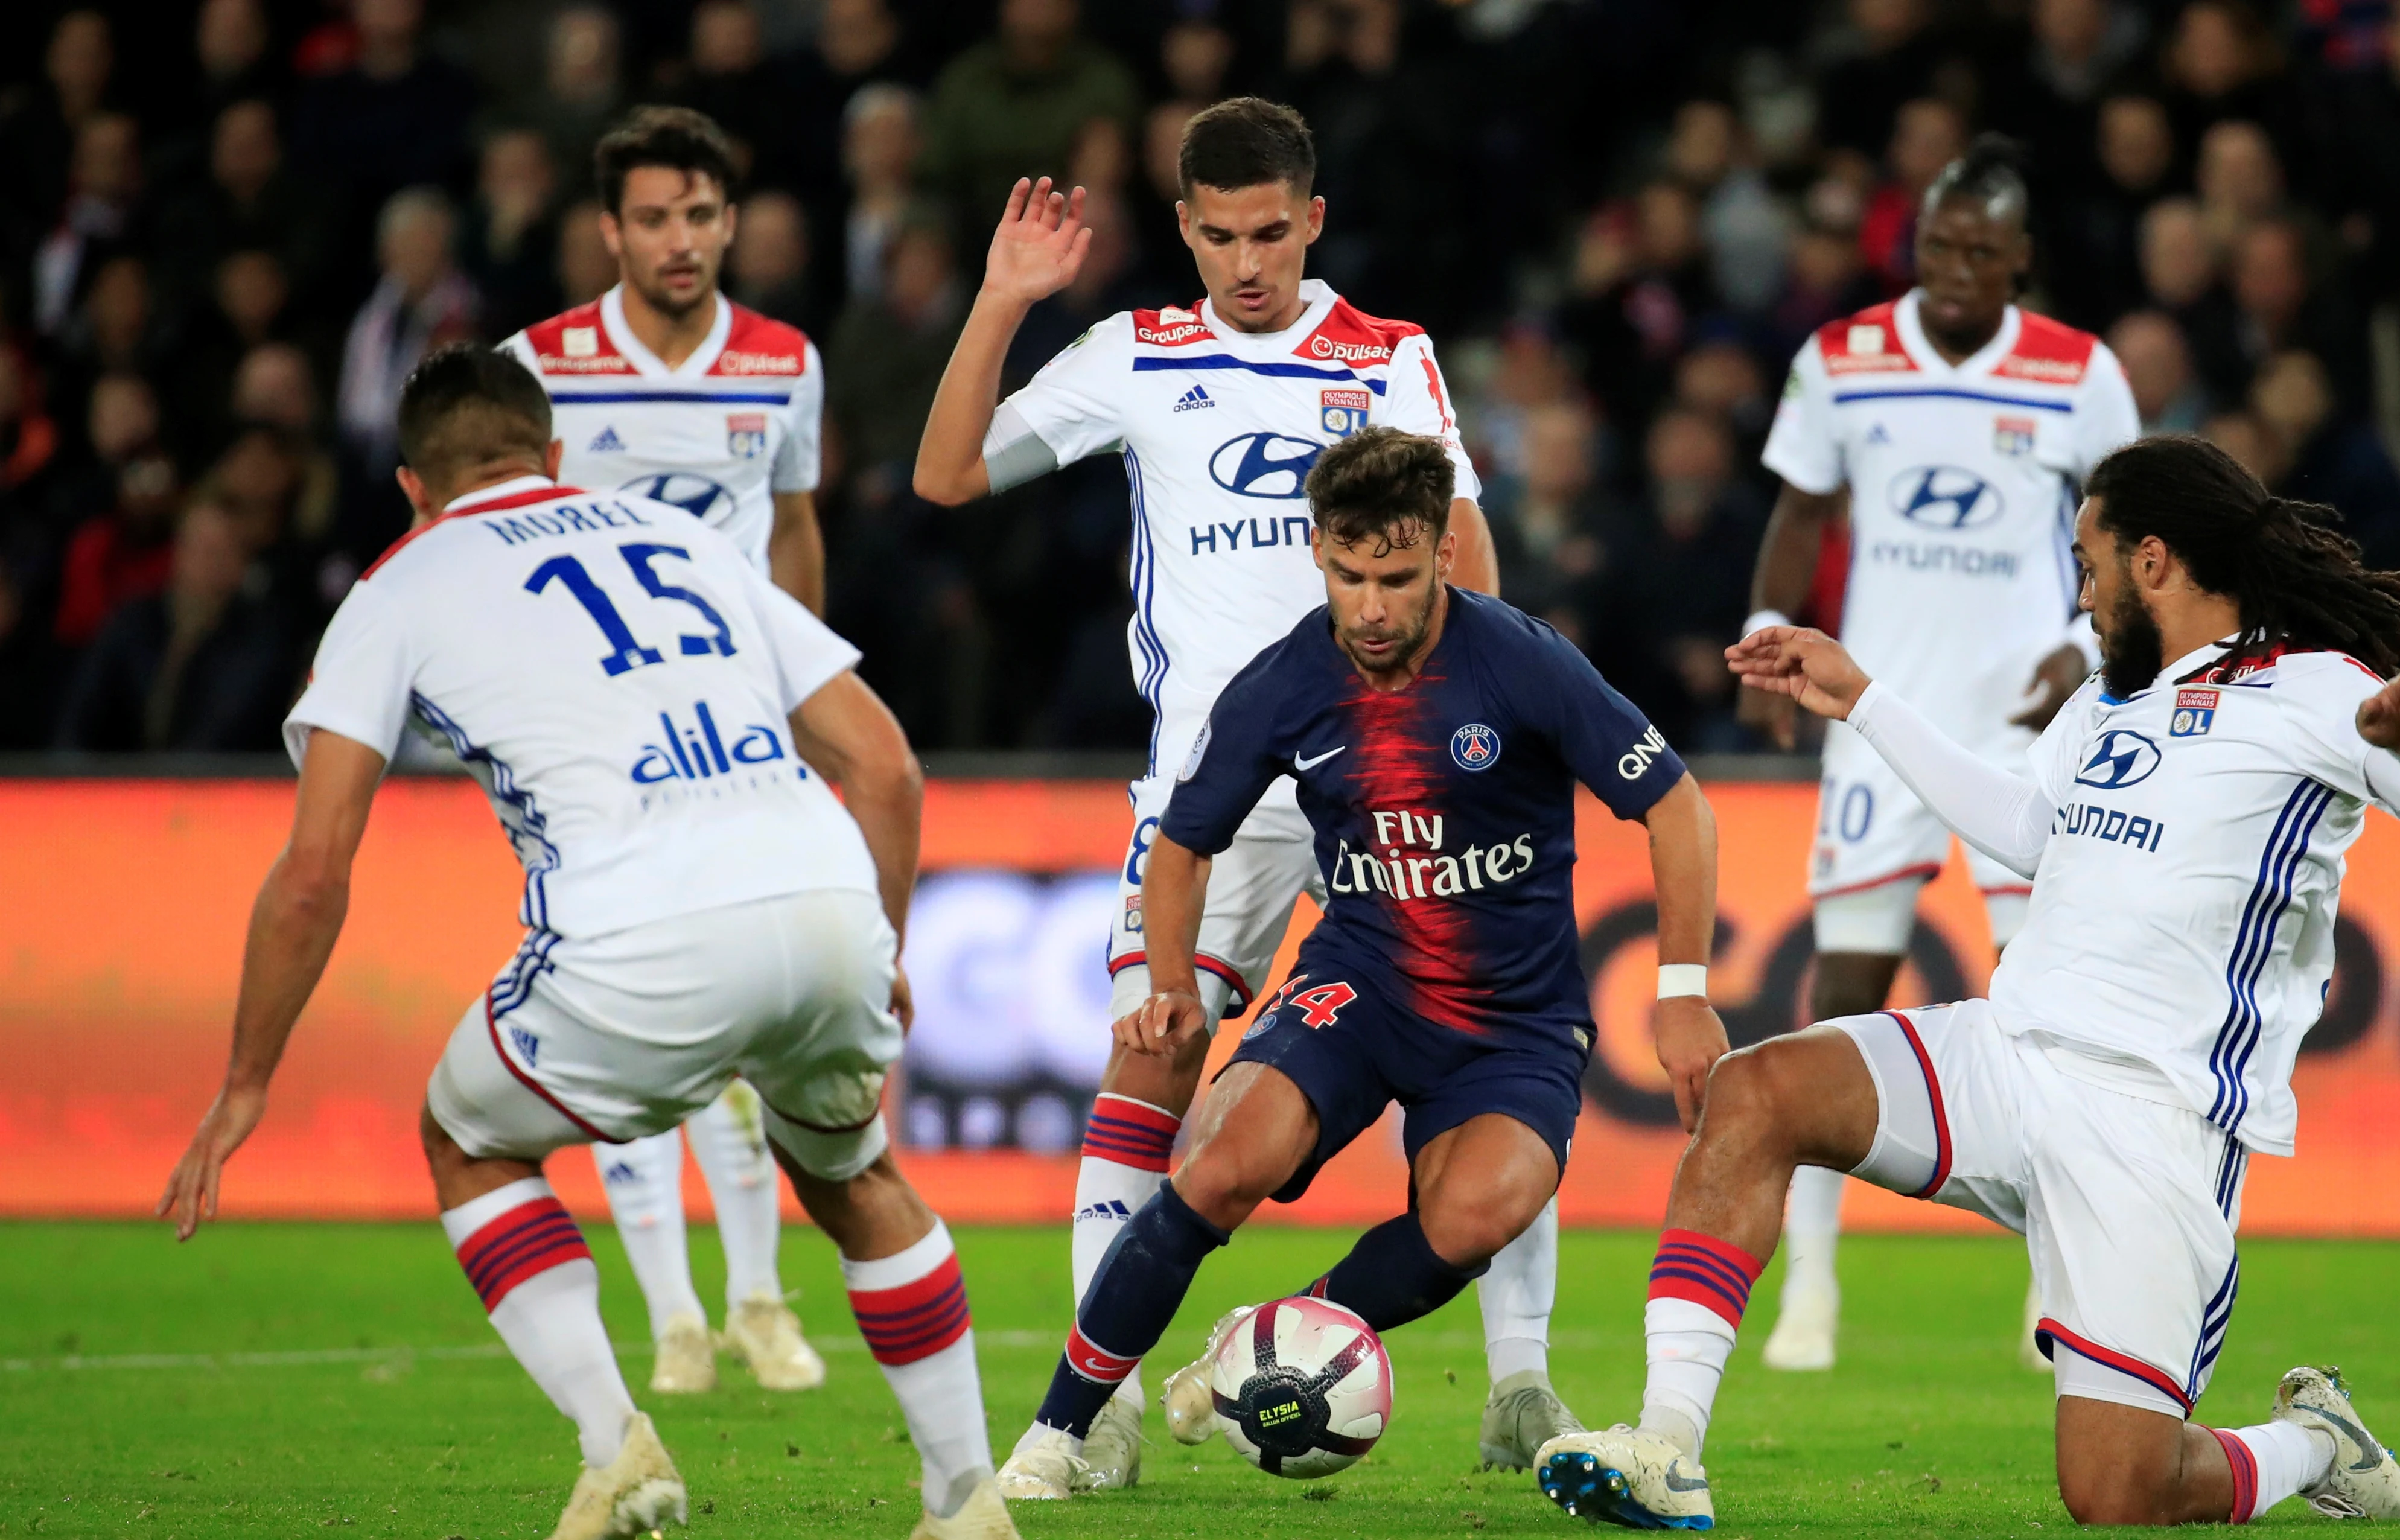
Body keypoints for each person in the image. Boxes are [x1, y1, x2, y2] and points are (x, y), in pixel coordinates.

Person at [1539, 433, 2400, 1530]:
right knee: (1758, 1093)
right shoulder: (2106, 699)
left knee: (2119, 1494)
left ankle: (2313, 1443)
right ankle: (1666, 1449)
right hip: (2009, 1053)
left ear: (2153, 562)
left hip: (2153, 1121)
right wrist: (1864, 701)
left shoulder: (2319, 689)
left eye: (2087, 563)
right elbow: (2031, 832)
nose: (2077, 593)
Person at [155, 345, 1017, 1540]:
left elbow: (313, 875)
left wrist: (247, 1079)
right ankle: (967, 1500)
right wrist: (879, 943)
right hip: (821, 892)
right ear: (552, 454)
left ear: (412, 486)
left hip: (637, 939)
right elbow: (885, 765)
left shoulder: (396, 587)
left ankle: (619, 1453)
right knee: (858, 1175)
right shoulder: (690, 541)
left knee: (465, 1137)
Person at [911, 98, 1570, 1488]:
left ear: (1312, 219)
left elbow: (1469, 563)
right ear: (1186, 231)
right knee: (1150, 1053)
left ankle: (1523, 1381)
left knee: (1477, 1047)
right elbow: (947, 474)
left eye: (1270, 232)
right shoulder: (1136, 356)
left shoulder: (1391, 356)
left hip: (1383, 783)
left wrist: (1467, 759)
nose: (1247, 262)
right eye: (1218, 236)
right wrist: (1000, 301)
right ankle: (1110, 1412)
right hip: (1217, 792)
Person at [990, 427, 1727, 1500]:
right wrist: (1165, 987)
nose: (1371, 606)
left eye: (1395, 576)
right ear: (1318, 554)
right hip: (1365, 984)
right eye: (1348, 576)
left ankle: (1272, 1333)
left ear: (1439, 552)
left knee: (1482, 1211)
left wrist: (1682, 994)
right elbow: (1186, 840)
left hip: (1512, 1021)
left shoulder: (1517, 657)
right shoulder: (1289, 677)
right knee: (1221, 1162)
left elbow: (1676, 804)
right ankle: (1062, 1429)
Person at [1734, 135, 2139, 1372]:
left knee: (2045, 1008)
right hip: (1878, 719)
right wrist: (1765, 634)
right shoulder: (1843, 358)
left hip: (2025, 733)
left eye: (1983, 250)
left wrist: (2084, 642)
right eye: (1940, 246)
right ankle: (1812, 1284)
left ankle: (2054, 1289)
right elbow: (1801, 511)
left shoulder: (2079, 373)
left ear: (2021, 259)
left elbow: (2139, 531)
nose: (1957, 269)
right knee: (1844, 992)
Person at [496, 106, 835, 1399]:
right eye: (653, 217)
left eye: (700, 215)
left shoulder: (782, 363)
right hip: (588, 747)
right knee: (622, 1020)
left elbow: (793, 523)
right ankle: (678, 1317)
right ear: (609, 230)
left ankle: (755, 1300)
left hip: (733, 741)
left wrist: (804, 685)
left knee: (741, 1027)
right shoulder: (542, 369)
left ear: (731, 222)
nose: (679, 240)